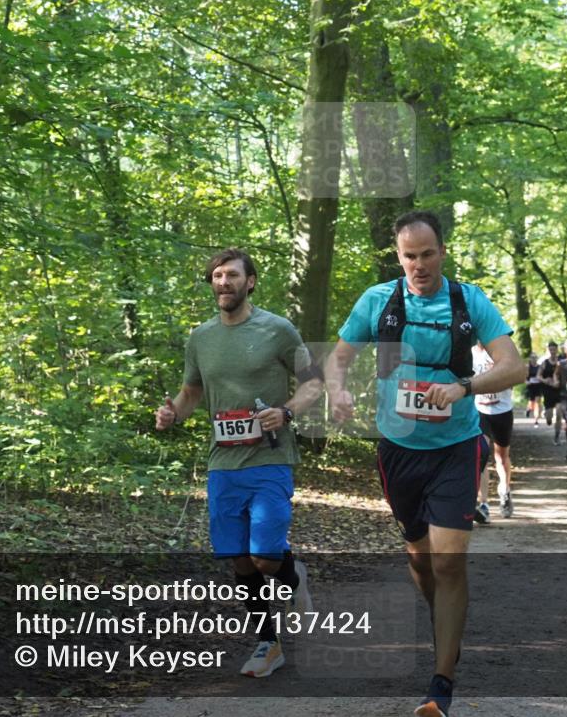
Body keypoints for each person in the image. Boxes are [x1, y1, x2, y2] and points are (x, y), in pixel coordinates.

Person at [324, 211, 523, 717]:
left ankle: (441, 684)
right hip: (398, 449)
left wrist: (465, 387)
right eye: (409, 256)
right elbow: (338, 358)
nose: (418, 265)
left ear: (442, 251)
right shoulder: (379, 302)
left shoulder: (467, 301)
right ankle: (446, 626)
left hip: (456, 448)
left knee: (448, 559)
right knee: (419, 557)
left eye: (427, 253)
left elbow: (513, 365)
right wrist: (338, 389)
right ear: (399, 256)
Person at [156, 248, 322, 678]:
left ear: (250, 282)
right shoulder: (201, 338)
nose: (222, 282)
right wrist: (173, 412)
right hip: (222, 463)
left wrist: (285, 411)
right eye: (216, 276)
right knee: (239, 558)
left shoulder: (278, 330)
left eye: (231, 275)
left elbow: (313, 384)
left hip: (270, 457)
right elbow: (191, 392)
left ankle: (292, 575)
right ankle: (268, 643)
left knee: (266, 556)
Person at [472, 343, 515, 523]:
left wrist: (498, 374)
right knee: (481, 455)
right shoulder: (471, 353)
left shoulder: (501, 351)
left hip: (502, 411)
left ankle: (504, 490)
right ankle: (484, 504)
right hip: (480, 410)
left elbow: (515, 378)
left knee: (501, 457)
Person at [538, 341, 564, 445]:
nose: (552, 351)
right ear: (548, 350)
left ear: (557, 350)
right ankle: (547, 417)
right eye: (550, 349)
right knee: (549, 417)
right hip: (548, 391)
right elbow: (538, 376)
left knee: (558, 414)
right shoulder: (545, 362)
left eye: (554, 349)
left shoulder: (561, 361)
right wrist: (546, 381)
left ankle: (556, 436)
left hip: (560, 390)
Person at [524, 352, 543, 425]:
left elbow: (542, 375)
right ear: (530, 358)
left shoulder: (540, 367)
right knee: (531, 403)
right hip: (531, 386)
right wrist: (526, 381)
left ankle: (536, 420)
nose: (533, 359)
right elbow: (524, 377)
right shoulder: (527, 366)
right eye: (532, 357)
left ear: (537, 358)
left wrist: (541, 379)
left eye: (535, 357)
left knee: (537, 403)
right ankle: (529, 409)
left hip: (538, 386)